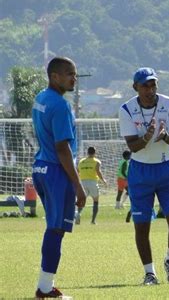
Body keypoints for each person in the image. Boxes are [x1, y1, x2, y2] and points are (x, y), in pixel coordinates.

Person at [118, 67, 169, 285]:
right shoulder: (126, 109)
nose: (150, 89)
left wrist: (165, 135)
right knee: (142, 224)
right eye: (145, 85)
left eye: (153, 84)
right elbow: (133, 147)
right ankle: (150, 273)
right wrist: (146, 137)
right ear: (135, 87)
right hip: (140, 171)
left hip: (167, 168)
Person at [31, 57, 87, 298]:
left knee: (54, 227)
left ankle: (46, 285)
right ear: (54, 76)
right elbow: (63, 147)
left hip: (41, 166)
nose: (73, 78)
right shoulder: (61, 105)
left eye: (74, 73)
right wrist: (78, 185)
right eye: (68, 73)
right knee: (56, 229)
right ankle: (45, 289)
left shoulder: (41, 98)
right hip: (57, 171)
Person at [76, 146, 107, 225]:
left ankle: (78, 214)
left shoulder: (81, 161)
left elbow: (77, 171)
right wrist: (103, 180)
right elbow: (98, 171)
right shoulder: (96, 161)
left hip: (82, 182)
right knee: (95, 201)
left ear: (87, 152)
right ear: (94, 153)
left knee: (82, 200)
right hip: (92, 182)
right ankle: (93, 221)